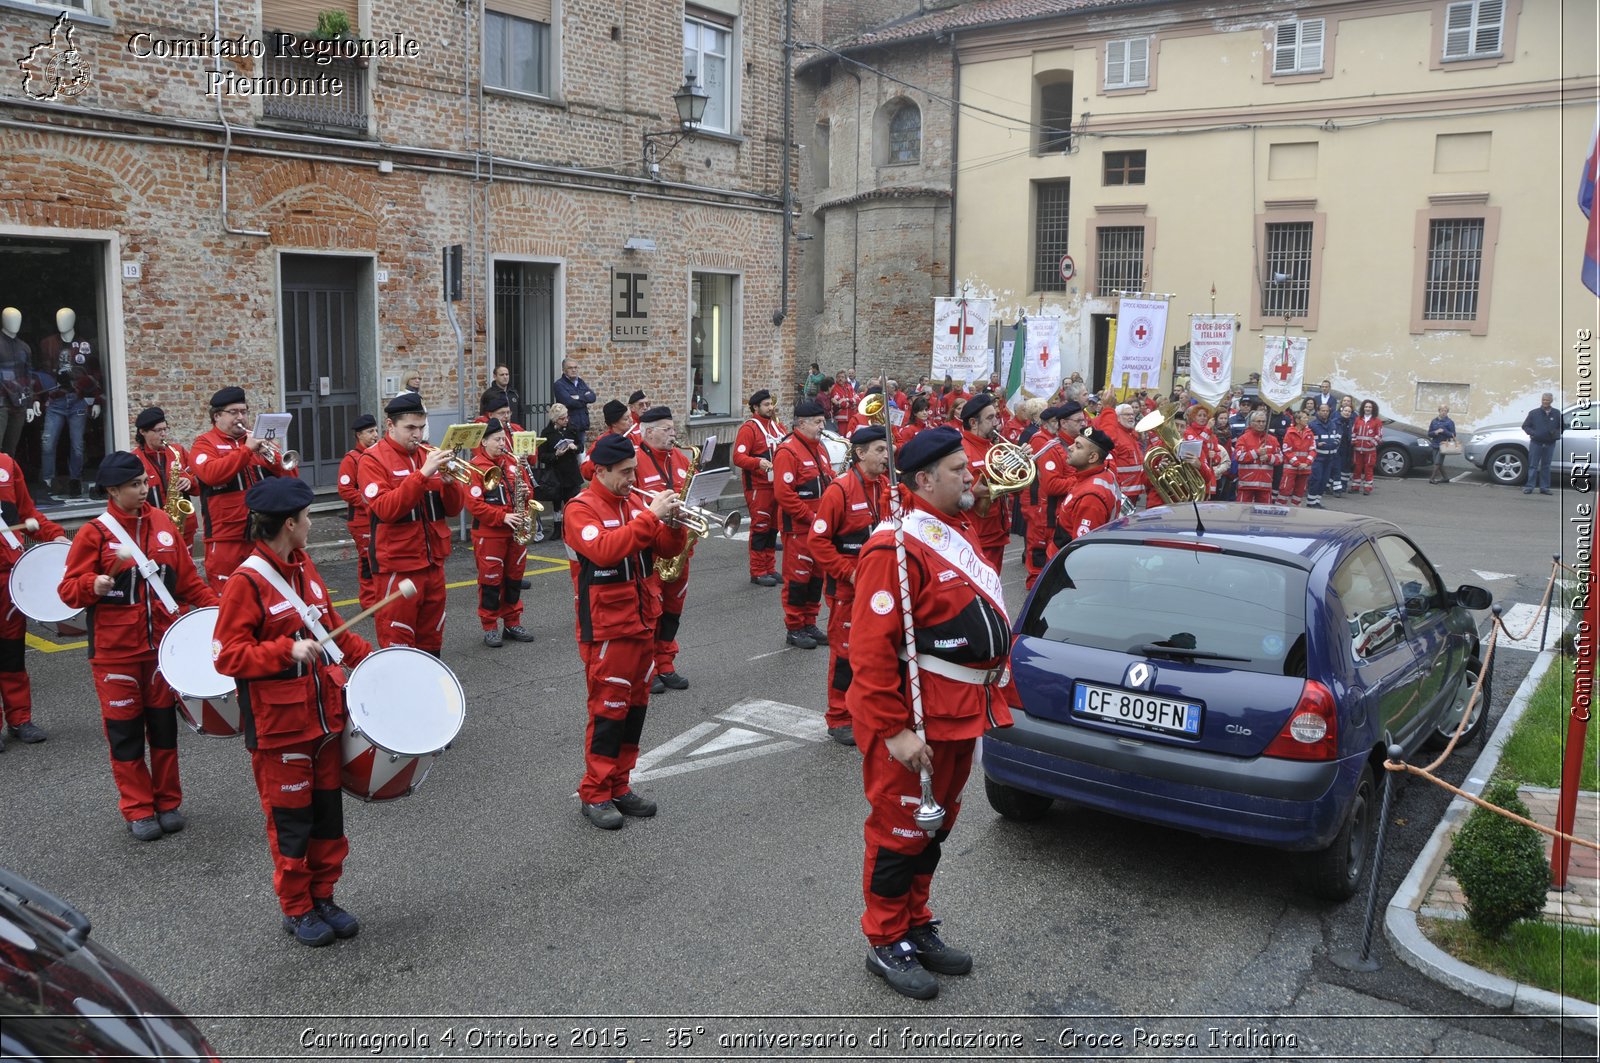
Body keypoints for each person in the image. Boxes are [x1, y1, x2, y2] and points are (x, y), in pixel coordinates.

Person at [847, 426, 1014, 1001]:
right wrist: (893, 730)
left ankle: (916, 923)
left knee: (933, 826)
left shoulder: (953, 527)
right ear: (923, 479)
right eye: (958, 470)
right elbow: (867, 652)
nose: (972, 476)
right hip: (914, 722)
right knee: (898, 831)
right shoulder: (893, 546)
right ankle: (886, 939)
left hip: (960, 714)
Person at [213, 477, 372, 946]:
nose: (310, 525)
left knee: (327, 818)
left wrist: (376, 662)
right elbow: (227, 655)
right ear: (289, 523)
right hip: (279, 727)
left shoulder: (303, 565)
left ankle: (323, 895)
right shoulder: (246, 581)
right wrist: (284, 650)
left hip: (324, 719)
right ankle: (297, 908)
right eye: (306, 519)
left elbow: (333, 626)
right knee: (291, 825)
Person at [59, 451, 216, 839]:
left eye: (145, 482)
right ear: (113, 490)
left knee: (164, 731)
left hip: (161, 651)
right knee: (126, 735)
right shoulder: (93, 533)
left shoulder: (163, 521)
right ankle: (138, 808)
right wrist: (89, 586)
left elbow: (187, 581)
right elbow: (67, 591)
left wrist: (221, 611)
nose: (145, 490)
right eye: (135, 485)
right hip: (115, 654)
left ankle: (168, 802)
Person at [563, 434, 686, 830]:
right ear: (600, 470)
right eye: (625, 472)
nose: (633, 478)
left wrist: (674, 523)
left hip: (642, 619)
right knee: (607, 711)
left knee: (635, 709)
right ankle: (595, 793)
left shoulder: (635, 502)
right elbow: (604, 550)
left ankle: (620, 785)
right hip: (606, 628)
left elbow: (665, 551)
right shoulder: (580, 509)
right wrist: (651, 517)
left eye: (634, 469)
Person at [356, 392, 465, 654]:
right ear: (390, 426)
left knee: (432, 639)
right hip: (398, 564)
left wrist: (450, 485)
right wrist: (423, 474)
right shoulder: (372, 460)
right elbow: (386, 509)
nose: (417, 435)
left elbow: (452, 508)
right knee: (399, 641)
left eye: (421, 427)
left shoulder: (427, 454)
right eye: (410, 428)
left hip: (432, 562)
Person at [810, 425, 889, 747]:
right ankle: (839, 717)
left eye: (888, 450)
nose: (887, 456)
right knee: (845, 654)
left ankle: (868, 711)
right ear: (860, 453)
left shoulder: (887, 487)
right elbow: (818, 541)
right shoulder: (839, 490)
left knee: (878, 652)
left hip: (882, 590)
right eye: (880, 450)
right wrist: (849, 572)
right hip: (848, 591)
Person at [191, 387, 298, 592]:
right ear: (217, 416)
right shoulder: (204, 444)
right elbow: (211, 474)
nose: (241, 417)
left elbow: (291, 480)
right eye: (233, 412)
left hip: (262, 534)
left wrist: (274, 457)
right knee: (230, 598)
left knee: (269, 596)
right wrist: (246, 450)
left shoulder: (257, 443)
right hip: (226, 539)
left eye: (244, 411)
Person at [0, 447, 65, 750]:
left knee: (12, 654)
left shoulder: (6, 464)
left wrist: (56, 535)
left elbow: (27, 514)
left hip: (9, 578)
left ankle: (19, 719)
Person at [635, 407, 695, 691]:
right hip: (651, 549)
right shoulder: (634, 460)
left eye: (673, 428)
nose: (674, 434)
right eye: (667, 429)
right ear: (647, 432)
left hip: (680, 548)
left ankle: (666, 662)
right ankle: (648, 669)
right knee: (651, 611)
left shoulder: (681, 459)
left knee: (673, 609)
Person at [463, 418, 536, 648]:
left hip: (516, 531)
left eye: (503, 439)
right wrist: (502, 516)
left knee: (514, 578)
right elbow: (474, 504)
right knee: (491, 581)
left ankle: (512, 622)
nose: (502, 443)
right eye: (497, 439)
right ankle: (490, 626)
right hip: (490, 533)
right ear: (484, 441)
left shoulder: (513, 462)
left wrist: (527, 493)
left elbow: (529, 491)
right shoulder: (475, 466)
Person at [773, 400, 833, 649]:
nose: (823, 426)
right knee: (798, 579)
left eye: (822, 421)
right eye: (818, 422)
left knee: (817, 577)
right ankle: (794, 627)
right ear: (802, 423)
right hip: (799, 527)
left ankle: (809, 622)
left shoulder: (820, 448)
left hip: (819, 527)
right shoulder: (788, 451)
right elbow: (785, 495)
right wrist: (812, 518)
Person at [37, 308, 102, 500]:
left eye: (65, 318)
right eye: (58, 318)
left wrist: (96, 399)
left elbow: (95, 373)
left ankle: (75, 480)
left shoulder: (84, 345)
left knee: (77, 445)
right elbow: (41, 373)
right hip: (55, 400)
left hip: (77, 400)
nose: (61, 322)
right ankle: (47, 482)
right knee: (48, 443)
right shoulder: (47, 344)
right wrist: (39, 399)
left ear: (74, 320)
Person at [732, 389, 785, 587]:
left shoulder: (777, 426)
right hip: (758, 486)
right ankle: (757, 571)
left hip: (776, 484)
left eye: (771, 404)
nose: (771, 408)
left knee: (773, 529)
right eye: (766, 405)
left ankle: (770, 568)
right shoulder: (749, 428)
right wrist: (757, 462)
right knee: (761, 528)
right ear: (755, 407)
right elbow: (738, 458)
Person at [956, 395, 1011, 572]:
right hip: (978, 534)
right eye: (990, 418)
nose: (996, 422)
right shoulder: (961, 451)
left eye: (995, 416)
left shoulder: (991, 447)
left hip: (997, 530)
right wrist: (974, 493)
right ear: (973, 422)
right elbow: (949, 497)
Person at [132, 406, 196, 551]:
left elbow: (199, 477)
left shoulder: (178, 451)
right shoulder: (134, 459)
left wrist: (190, 481)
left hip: (184, 525)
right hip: (154, 527)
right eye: (158, 430)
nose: (163, 434)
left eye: (165, 429)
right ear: (143, 432)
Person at [334, 415, 381, 610]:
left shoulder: (377, 454)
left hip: (378, 517)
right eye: (370, 432)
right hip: (361, 519)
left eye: (376, 431)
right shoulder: (351, 458)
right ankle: (369, 602)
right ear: (359, 435)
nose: (375, 435)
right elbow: (345, 490)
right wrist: (368, 501)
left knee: (379, 559)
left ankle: (380, 599)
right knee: (367, 560)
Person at [1050, 428, 1122, 554]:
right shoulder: (1093, 477)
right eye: (1073, 443)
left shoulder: (1091, 497)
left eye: (1078, 446)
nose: (1070, 448)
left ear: (1093, 457)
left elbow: (1082, 550)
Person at [535, 402, 584, 536]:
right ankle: (557, 528)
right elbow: (542, 456)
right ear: (555, 420)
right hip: (555, 473)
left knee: (572, 502)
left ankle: (571, 528)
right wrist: (555, 455)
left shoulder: (572, 428)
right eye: (563, 418)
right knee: (557, 503)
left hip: (571, 472)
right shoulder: (547, 433)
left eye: (567, 417)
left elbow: (581, 445)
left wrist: (576, 447)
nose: (566, 420)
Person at [1232, 409, 1282, 505]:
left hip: (1265, 485)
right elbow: (1239, 457)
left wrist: (1268, 457)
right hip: (1246, 484)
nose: (1261, 424)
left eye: (1263, 421)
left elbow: (1280, 458)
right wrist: (1256, 452)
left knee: (1263, 515)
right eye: (1258, 421)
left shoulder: (1272, 439)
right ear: (1251, 423)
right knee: (1242, 512)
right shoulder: (1243, 438)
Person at [1522, 392, 1561, 495]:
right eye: (1543, 400)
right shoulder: (1533, 413)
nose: (1545, 402)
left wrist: (1556, 433)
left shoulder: (1557, 413)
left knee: (1546, 466)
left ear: (1551, 401)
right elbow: (1525, 426)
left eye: (1547, 400)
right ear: (1541, 400)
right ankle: (1529, 487)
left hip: (1550, 444)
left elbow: (1561, 427)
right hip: (1536, 443)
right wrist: (1533, 433)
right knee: (1533, 466)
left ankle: (1544, 488)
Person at [552, 359, 597, 446]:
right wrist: (584, 398)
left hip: (582, 424)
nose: (574, 370)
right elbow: (569, 402)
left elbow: (592, 397)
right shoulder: (559, 384)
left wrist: (578, 397)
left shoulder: (580, 382)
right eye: (570, 368)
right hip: (569, 425)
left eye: (575, 367)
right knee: (571, 452)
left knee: (580, 451)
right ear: (564, 370)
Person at [1305, 404, 1342, 507]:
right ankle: (1310, 502)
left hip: (1330, 458)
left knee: (1324, 481)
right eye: (1323, 411)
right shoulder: (1312, 425)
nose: (1325, 413)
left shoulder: (1332, 424)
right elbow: (1307, 440)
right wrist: (1317, 444)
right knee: (1316, 480)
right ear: (1318, 411)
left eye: (1327, 411)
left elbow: (1338, 436)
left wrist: (1335, 443)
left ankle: (1317, 501)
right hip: (1318, 458)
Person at [1277, 409, 1315, 506]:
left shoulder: (1310, 433)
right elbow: (1287, 450)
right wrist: (1298, 464)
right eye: (1305, 418)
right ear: (1297, 420)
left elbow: (1313, 450)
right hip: (1291, 468)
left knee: (1300, 492)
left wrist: (1307, 463)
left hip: (1305, 468)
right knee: (1285, 490)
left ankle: (1296, 510)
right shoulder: (1290, 433)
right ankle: (1279, 509)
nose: (1307, 419)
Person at [1350, 400, 1383, 496]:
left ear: (1373, 409)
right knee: (1357, 468)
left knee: (1368, 469)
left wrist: (1370, 443)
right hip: (1357, 449)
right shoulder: (1358, 419)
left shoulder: (1377, 421)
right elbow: (1353, 432)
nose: (1367, 409)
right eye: (1366, 407)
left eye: (1369, 407)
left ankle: (1367, 488)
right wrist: (1354, 441)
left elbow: (1379, 435)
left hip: (1369, 451)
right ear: (1363, 408)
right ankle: (1355, 487)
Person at [1332, 396, 1356, 496]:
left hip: (1348, 448)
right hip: (1338, 448)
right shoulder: (1336, 421)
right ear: (1341, 410)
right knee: (1337, 467)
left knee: (1346, 468)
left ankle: (1344, 485)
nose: (1347, 413)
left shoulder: (1352, 420)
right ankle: (1336, 489)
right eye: (1345, 411)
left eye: (1349, 411)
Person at [1427, 405, 1457, 485]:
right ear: (1439, 411)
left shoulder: (1450, 422)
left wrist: (1443, 431)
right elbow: (1429, 434)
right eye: (1442, 411)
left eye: (1445, 411)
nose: (1444, 412)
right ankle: (1446, 478)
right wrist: (1435, 432)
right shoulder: (1434, 421)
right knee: (1438, 463)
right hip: (1435, 444)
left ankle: (1432, 479)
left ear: (1447, 412)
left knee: (1437, 463)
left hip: (1444, 445)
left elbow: (1453, 435)